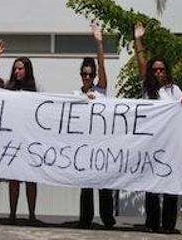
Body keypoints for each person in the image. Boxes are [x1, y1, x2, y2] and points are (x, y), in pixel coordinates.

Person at [134, 21, 182, 234]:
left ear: (166, 72)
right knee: (152, 182)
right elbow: (141, 63)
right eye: (155, 70)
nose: (158, 73)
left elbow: (181, 113)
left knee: (170, 182)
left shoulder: (174, 90)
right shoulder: (147, 89)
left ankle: (168, 224)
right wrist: (138, 39)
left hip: (171, 145)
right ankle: (152, 222)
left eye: (161, 70)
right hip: (151, 142)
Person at [0, 39, 38, 224]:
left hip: (29, 140)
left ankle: (32, 215)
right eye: (15, 68)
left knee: (31, 179)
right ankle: (12, 214)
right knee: (14, 179)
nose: (17, 71)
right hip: (12, 139)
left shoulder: (36, 92)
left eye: (20, 68)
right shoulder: (9, 87)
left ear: (27, 70)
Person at [75, 25, 116, 229]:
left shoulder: (101, 91)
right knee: (86, 184)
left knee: (104, 183)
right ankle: (85, 219)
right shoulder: (75, 95)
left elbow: (102, 66)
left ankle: (107, 218)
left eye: (90, 74)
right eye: (84, 74)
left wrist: (98, 42)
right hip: (84, 144)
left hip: (102, 143)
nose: (87, 77)